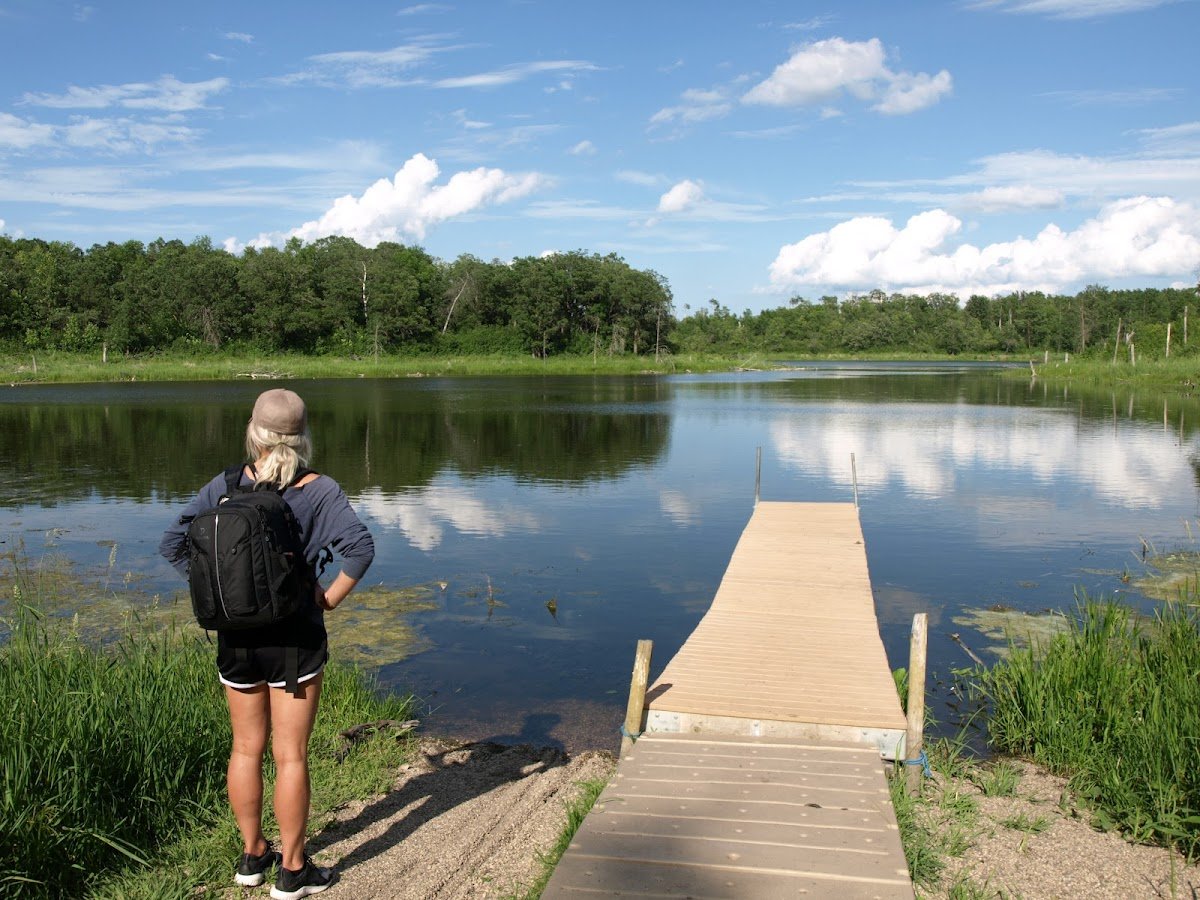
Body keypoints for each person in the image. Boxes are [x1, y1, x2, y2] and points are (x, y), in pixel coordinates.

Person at [159, 388, 374, 900]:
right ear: (303, 438)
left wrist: (219, 592)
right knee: (291, 755)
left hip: (236, 638)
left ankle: (253, 856)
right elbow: (360, 548)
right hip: (294, 641)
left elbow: (173, 544)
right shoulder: (318, 489)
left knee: (244, 748)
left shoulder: (226, 484)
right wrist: (328, 598)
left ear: (253, 432)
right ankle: (293, 871)